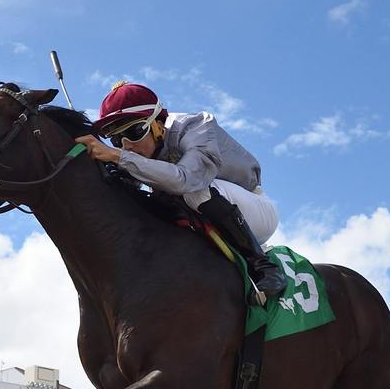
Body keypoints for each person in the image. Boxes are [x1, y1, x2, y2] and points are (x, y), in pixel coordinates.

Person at [74, 81, 286, 303]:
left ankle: (264, 267)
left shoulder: (198, 126)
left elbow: (186, 180)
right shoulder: (138, 152)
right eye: (117, 140)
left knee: (195, 191)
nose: (127, 146)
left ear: (157, 123)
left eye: (134, 132)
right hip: (205, 216)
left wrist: (118, 157)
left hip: (256, 212)